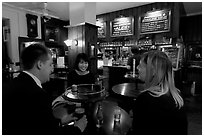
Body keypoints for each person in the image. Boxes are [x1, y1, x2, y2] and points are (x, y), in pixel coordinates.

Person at [2, 44, 87, 135]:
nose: (52, 69)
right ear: (40, 64)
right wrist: (78, 128)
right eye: (50, 64)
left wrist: (60, 121)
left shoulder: (11, 84)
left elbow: (35, 125)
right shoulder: (38, 95)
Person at [130, 50, 188, 135]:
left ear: (153, 71)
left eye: (141, 65)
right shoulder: (177, 95)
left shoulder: (146, 99)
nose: (137, 67)